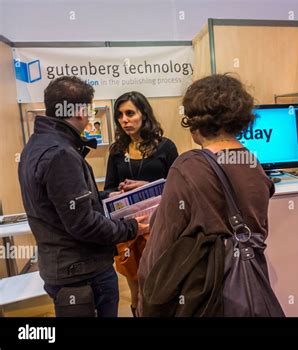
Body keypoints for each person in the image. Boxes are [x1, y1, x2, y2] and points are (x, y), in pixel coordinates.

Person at [137, 74, 275, 316]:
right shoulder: (253, 164)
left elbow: (159, 253)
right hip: (246, 296)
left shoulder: (188, 166)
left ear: (194, 120)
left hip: (199, 300)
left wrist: (143, 304)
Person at [18, 76, 149, 317]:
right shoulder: (60, 153)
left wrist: (109, 195)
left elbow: (66, 204)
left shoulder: (36, 145)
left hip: (66, 268)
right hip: (82, 273)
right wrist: (130, 228)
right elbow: (83, 223)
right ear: (79, 111)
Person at [104, 91, 178, 317]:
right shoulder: (117, 151)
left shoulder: (165, 147)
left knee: (154, 283)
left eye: (130, 113)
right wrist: (119, 192)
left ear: (143, 114)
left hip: (159, 227)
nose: (124, 120)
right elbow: (108, 189)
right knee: (134, 287)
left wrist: (145, 185)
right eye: (120, 115)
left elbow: (178, 187)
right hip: (128, 229)